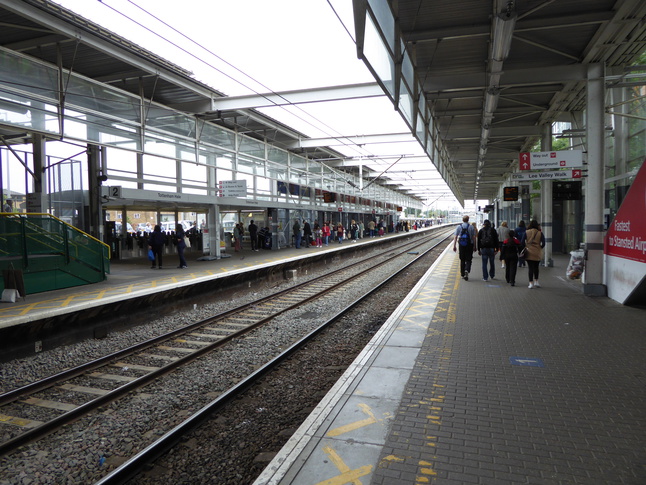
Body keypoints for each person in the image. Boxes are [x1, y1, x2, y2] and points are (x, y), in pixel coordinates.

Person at [521, 220, 545, 288]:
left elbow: (522, 242)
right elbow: (543, 243)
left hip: (529, 251)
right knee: (536, 267)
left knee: (530, 268)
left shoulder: (526, 232)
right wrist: (539, 247)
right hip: (537, 251)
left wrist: (526, 247)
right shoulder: (540, 233)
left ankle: (530, 283)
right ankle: (536, 281)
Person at [452, 215, 476, 280]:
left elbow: (455, 237)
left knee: (462, 259)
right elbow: (474, 237)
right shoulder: (471, 227)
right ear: (468, 220)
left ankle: (462, 274)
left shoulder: (459, 227)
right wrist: (474, 246)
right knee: (469, 259)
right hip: (469, 245)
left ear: (462, 220)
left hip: (461, 245)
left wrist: (454, 246)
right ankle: (467, 270)